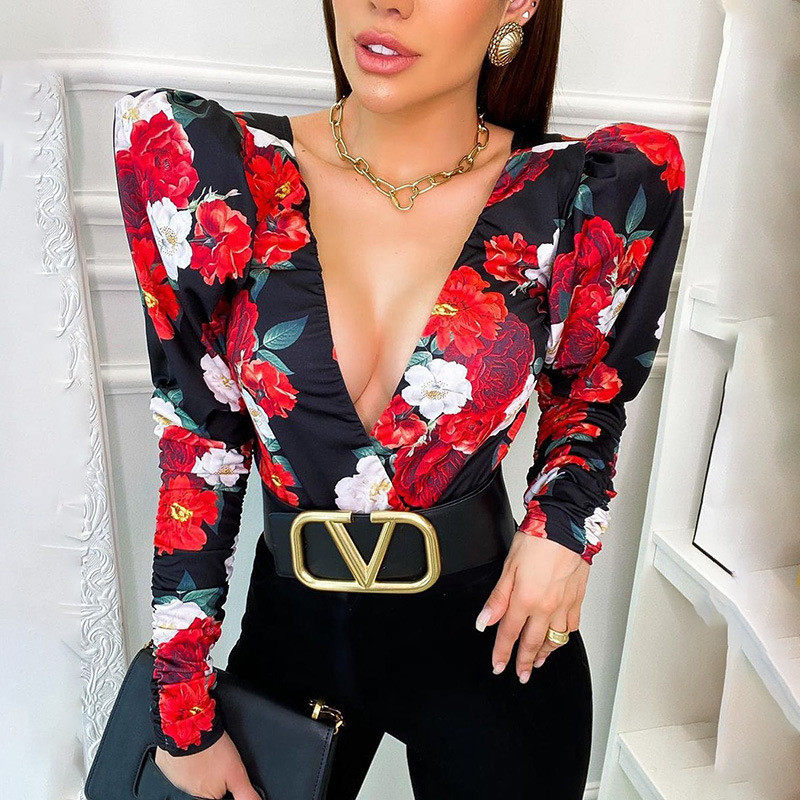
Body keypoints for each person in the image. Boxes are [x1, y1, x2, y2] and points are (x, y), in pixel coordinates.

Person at [111, 1, 685, 797]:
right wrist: (181, 713)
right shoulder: (216, 170)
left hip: (494, 640)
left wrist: (563, 529)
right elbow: (198, 439)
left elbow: (590, 398)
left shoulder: (582, 193)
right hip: (287, 643)